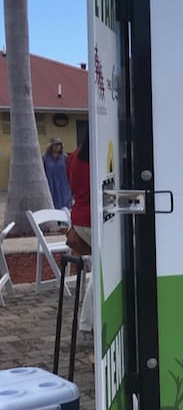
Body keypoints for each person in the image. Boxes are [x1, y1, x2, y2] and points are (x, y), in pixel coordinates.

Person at [65, 138, 92, 333]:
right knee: (106, 271)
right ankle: (88, 322)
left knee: (101, 268)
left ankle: (88, 323)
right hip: (95, 220)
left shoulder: (75, 155)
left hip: (79, 218)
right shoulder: (98, 155)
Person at [42, 137, 72, 209]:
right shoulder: (45, 158)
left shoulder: (65, 157)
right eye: (55, 145)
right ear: (51, 146)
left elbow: (69, 170)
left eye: (59, 145)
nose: (57, 147)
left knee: (65, 207)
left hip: (63, 186)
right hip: (51, 185)